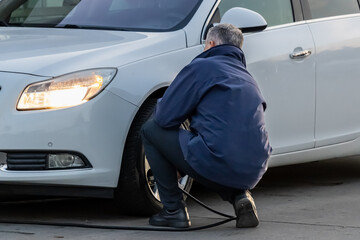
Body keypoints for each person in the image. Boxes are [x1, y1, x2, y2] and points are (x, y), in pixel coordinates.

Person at [141, 23, 272, 229]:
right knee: (221, 149)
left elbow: (164, 118)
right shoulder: (247, 78)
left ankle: (174, 211)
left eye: (204, 45)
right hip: (256, 168)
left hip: (218, 159)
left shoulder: (202, 67)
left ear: (211, 44)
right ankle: (241, 197)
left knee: (150, 130)